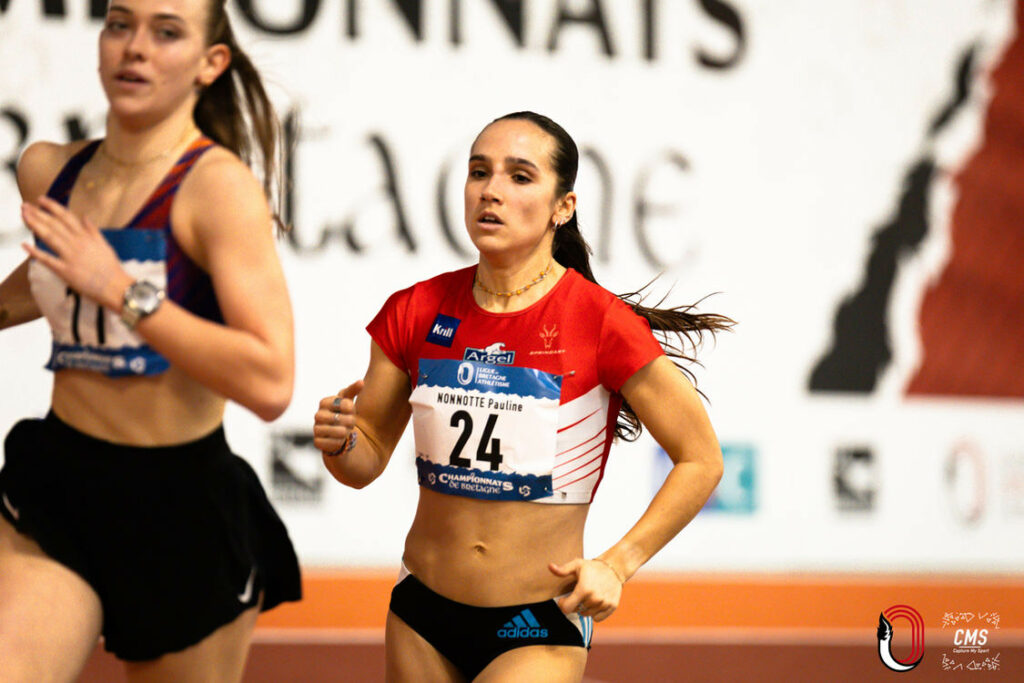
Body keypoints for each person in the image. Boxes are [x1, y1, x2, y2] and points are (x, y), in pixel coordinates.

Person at [313, 111, 730, 682]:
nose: (491, 191)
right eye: (479, 172)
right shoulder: (413, 310)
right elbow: (364, 463)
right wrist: (341, 443)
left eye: (520, 176)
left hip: (538, 621)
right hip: (422, 613)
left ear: (564, 205)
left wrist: (617, 563)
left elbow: (701, 458)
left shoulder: (600, 321)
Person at [0, 1, 301, 681]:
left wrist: (124, 291)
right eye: (119, 24)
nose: (135, 47)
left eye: (166, 32)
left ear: (209, 63)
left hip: (180, 511)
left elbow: (271, 380)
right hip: (60, 484)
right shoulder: (50, 171)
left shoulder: (219, 191)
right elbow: (50, 279)